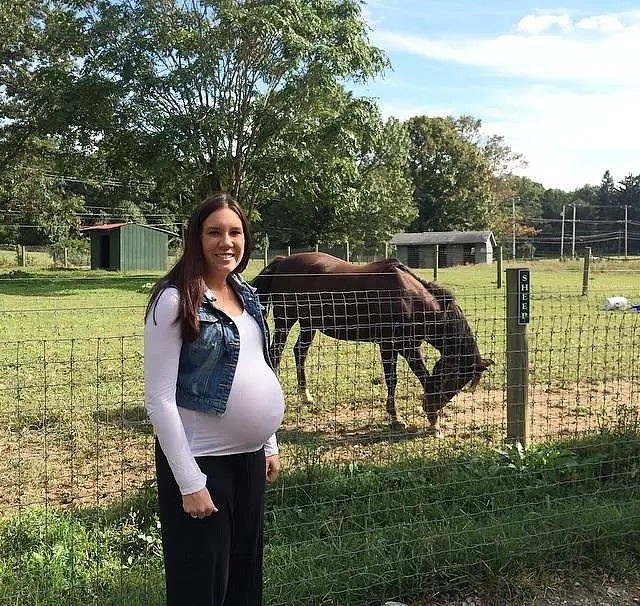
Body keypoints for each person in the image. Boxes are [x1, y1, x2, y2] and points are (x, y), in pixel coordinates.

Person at [144, 192, 285, 606]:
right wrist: (189, 482)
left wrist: (268, 442)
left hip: (249, 458)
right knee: (200, 587)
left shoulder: (245, 293)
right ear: (195, 238)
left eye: (235, 232)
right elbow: (159, 399)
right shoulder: (174, 299)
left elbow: (259, 366)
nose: (227, 242)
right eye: (214, 232)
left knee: (245, 579)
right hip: (201, 462)